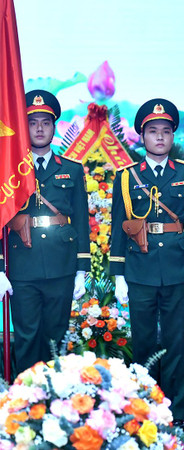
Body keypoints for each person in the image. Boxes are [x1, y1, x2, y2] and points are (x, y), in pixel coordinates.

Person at [0, 90, 90, 375]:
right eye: (33, 123)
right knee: (27, 337)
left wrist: (81, 270)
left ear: (54, 127)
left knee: (56, 337)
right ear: (24, 128)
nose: (40, 128)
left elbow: (81, 221)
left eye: (46, 122)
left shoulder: (71, 169)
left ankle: (55, 403)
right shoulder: (7, 173)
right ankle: (24, 403)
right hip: (22, 266)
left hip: (61, 266)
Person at [110, 98, 184, 428]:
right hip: (139, 269)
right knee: (142, 342)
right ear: (142, 136)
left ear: (173, 137)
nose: (159, 137)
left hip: (177, 268)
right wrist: (118, 275)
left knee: (176, 342)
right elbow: (117, 228)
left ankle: (177, 413)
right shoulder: (126, 178)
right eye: (152, 131)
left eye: (165, 131)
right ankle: (142, 409)